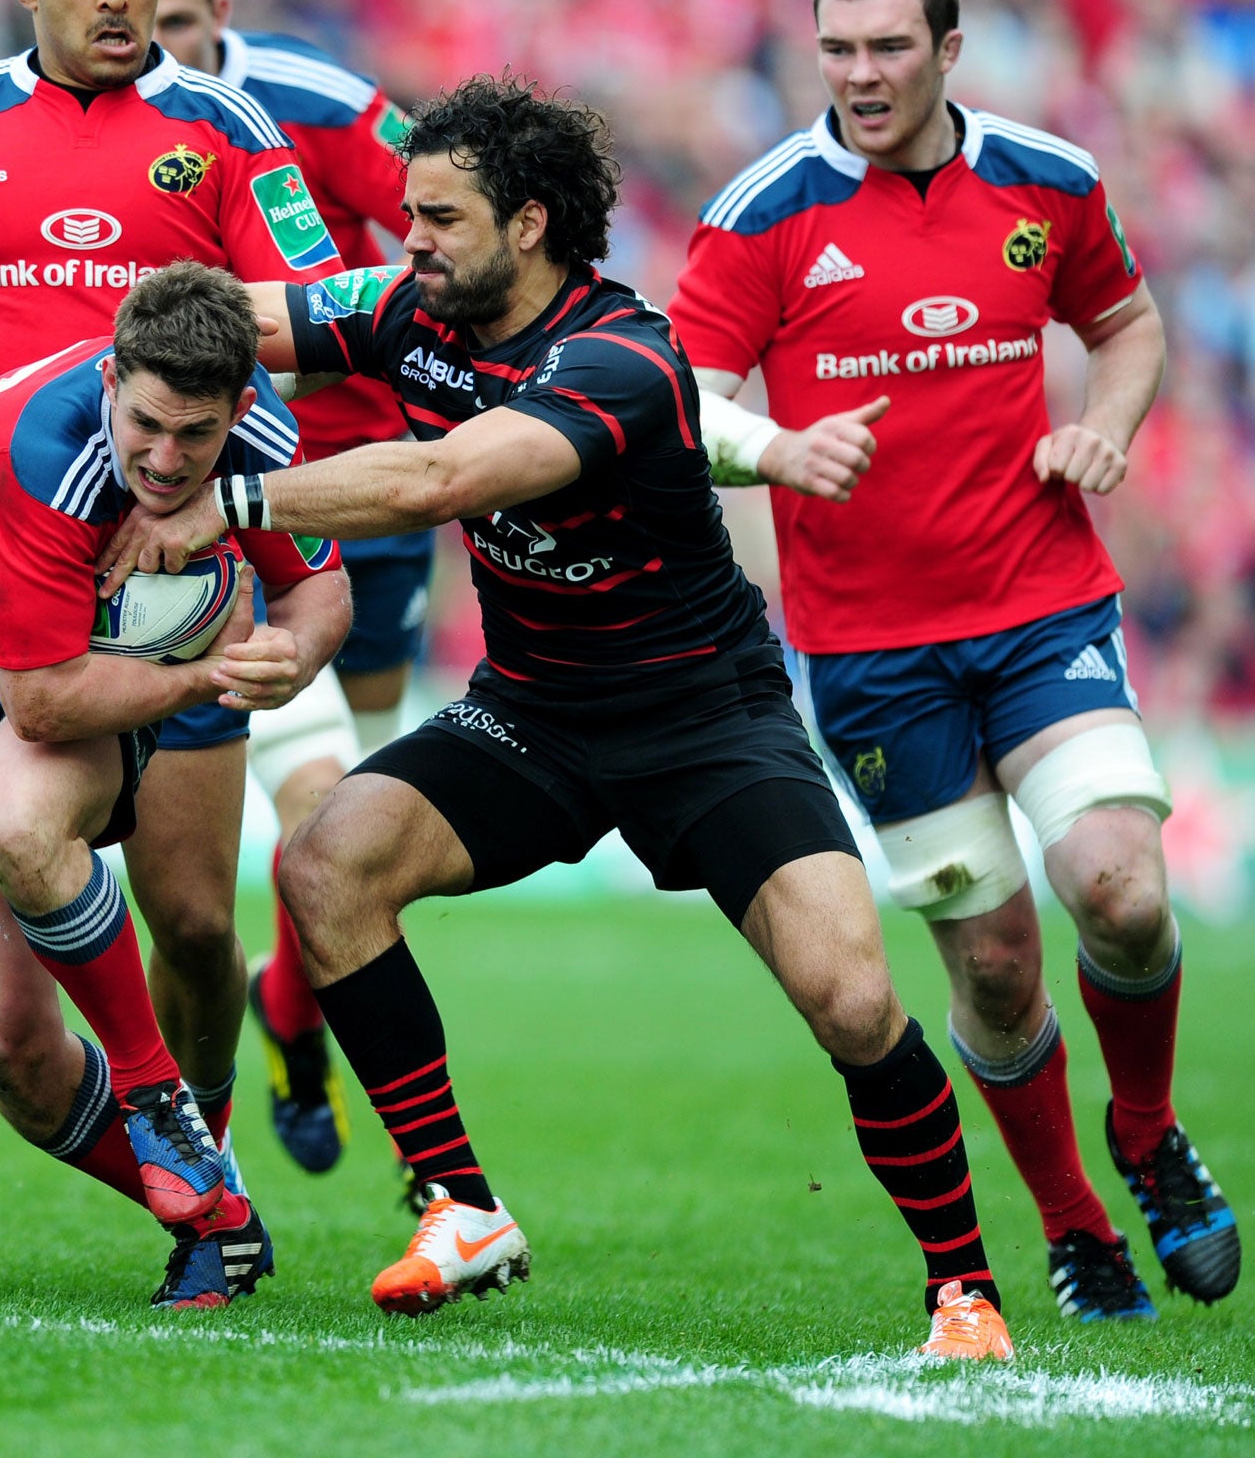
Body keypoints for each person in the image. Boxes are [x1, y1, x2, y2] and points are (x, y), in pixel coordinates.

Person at [98, 75, 1015, 1358]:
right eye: (406, 214)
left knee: (853, 1003)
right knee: (326, 864)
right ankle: (461, 1208)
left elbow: (437, 478)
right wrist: (14, 299)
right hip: (534, 712)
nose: (403, 239)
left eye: (437, 218)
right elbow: (215, 323)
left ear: (528, 224)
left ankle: (962, 1291)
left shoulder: (622, 357)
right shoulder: (402, 310)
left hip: (704, 719)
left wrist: (238, 509)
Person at [669, 0, 1238, 1320]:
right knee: (990, 965)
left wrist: (1103, 431)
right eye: (838, 50)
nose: (861, 76)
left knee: (1121, 882)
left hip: (1042, 602)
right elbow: (672, 394)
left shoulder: (1050, 181)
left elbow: (1130, 324)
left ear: (949, 47)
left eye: (889, 48)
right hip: (870, 652)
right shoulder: (765, 211)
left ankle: (1149, 1132)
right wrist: (778, 451)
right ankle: (1074, 1223)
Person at [0, 0, 351, 1297]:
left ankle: (199, 1160)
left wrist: (215, 475)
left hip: (165, 592)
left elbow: (304, 312)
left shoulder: (227, 127)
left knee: (200, 926)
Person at [0, 263, 348, 1305]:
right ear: (110, 375)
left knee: (18, 825)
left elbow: (319, 582)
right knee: (8, 1047)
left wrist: (293, 653)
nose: (166, 460)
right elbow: (40, 704)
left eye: (194, 437)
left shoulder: (256, 434)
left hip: (86, 668)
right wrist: (203, 674)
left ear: (239, 410)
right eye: (146, 425)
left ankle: (161, 1106)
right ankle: (220, 1217)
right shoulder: (45, 452)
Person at [152, 0, 426, 1177]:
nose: (157, 59)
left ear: (222, 6)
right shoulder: (87, 117)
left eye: (176, 30)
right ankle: (246, 1049)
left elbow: (439, 230)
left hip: (364, 496)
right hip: (212, 501)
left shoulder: (311, 103)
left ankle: (286, 1007)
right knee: (319, 810)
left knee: (363, 818)